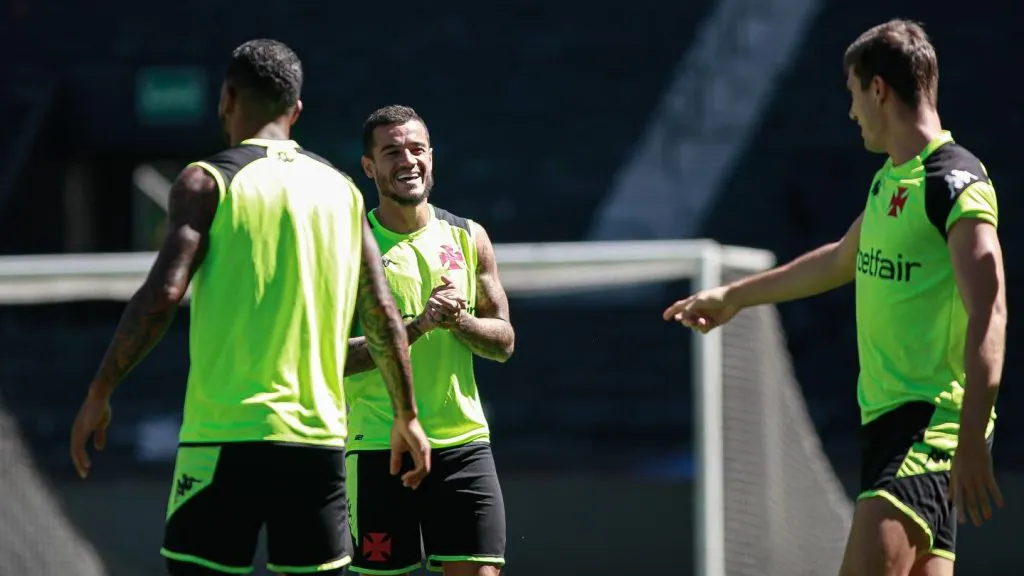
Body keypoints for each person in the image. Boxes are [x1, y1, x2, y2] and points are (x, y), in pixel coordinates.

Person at [68, 40, 432, 576]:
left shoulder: (206, 179)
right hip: (316, 443)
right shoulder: (342, 191)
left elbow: (163, 295)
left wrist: (100, 391)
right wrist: (408, 415)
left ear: (227, 98)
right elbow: (379, 312)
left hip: (223, 439)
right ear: (297, 110)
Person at [663, 19, 1005, 576]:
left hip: (928, 429)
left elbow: (991, 310)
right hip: (891, 429)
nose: (850, 113)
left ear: (878, 90)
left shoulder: (955, 184)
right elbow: (839, 260)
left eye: (852, 94)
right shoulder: (890, 182)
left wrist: (971, 434)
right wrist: (734, 297)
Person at [343, 104, 514, 576]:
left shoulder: (468, 237)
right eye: (392, 151)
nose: (407, 160)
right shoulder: (349, 245)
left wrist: (459, 322)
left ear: (432, 157)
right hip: (381, 446)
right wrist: (418, 325)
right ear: (369, 166)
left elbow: (503, 342)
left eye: (417, 148)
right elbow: (334, 360)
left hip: (463, 443)